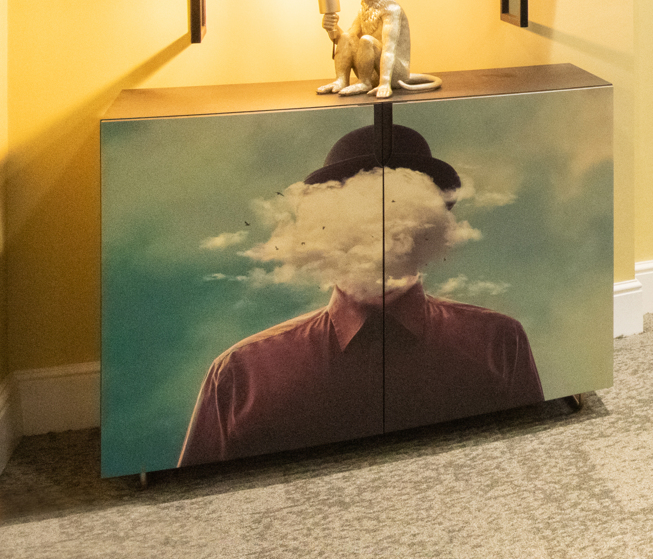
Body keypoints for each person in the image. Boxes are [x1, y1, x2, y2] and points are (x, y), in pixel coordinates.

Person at [178, 124, 542, 466]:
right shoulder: (243, 373)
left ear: (434, 224)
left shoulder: (499, 342)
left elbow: (533, 469)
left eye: (399, 205)